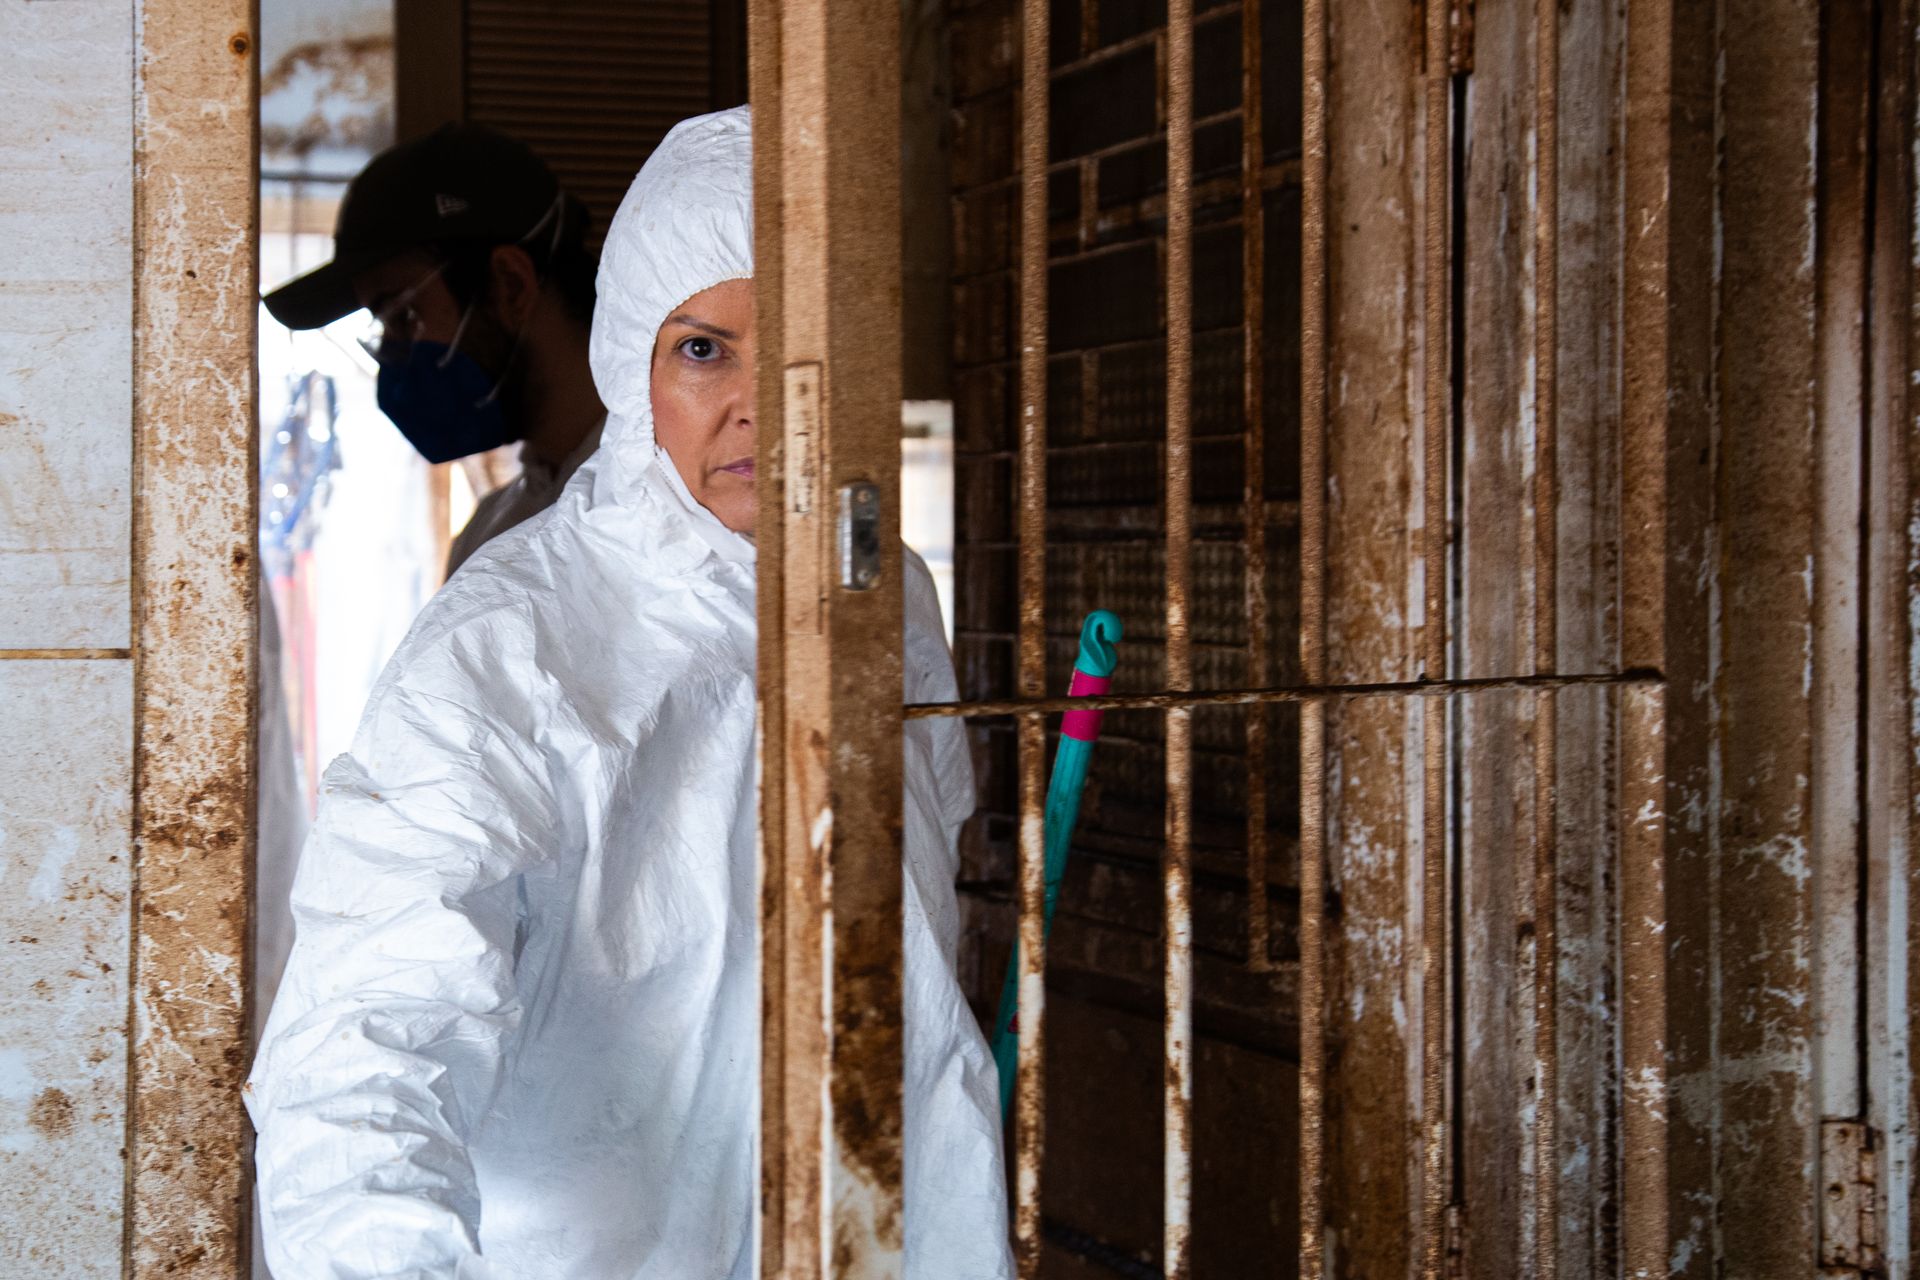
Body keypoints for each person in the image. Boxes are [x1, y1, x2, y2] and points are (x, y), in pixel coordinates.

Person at [246, 107, 1014, 1279]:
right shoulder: (512, 639)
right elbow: (370, 1040)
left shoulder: (884, 590)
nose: (757, 402)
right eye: (702, 348)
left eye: (797, 341)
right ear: (629, 364)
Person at [262, 122, 608, 578]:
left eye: (402, 316)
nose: (393, 358)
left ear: (510, 284)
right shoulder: (492, 536)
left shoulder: (683, 507)